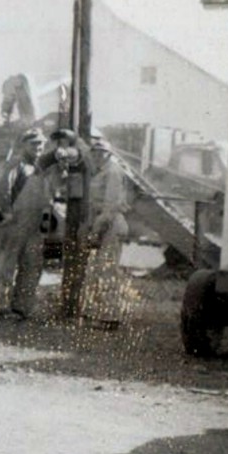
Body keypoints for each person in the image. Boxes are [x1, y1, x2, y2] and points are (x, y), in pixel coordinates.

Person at [0, 127, 50, 321]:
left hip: (34, 225)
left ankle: (22, 308)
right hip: (15, 223)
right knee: (7, 266)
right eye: (34, 144)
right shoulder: (17, 164)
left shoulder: (38, 167)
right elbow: (2, 189)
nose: (38, 147)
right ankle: (1, 308)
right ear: (24, 144)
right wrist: (7, 214)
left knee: (32, 266)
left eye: (41, 144)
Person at [80, 137, 132, 330]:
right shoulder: (101, 170)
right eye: (95, 151)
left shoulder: (113, 172)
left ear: (109, 154)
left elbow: (110, 207)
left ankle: (110, 316)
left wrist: (96, 231)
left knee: (107, 269)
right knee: (97, 269)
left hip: (110, 223)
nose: (98, 155)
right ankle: (97, 313)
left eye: (102, 152)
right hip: (102, 222)